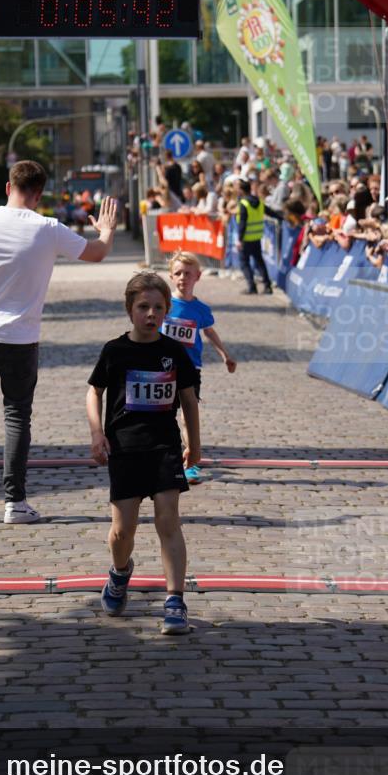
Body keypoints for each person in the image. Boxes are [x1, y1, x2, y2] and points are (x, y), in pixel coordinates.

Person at [0, 160, 118, 525]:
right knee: (16, 414)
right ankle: (14, 502)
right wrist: (107, 231)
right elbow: (97, 253)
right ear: (39, 194)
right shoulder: (49, 229)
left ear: (8, 187)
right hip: (21, 338)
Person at [86, 271, 200, 636]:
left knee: (168, 521)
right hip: (124, 449)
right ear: (129, 310)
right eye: (143, 307)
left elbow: (189, 400)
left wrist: (195, 444)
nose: (151, 314)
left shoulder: (174, 352)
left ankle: (175, 602)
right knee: (123, 531)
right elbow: (94, 391)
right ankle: (120, 573)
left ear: (166, 311)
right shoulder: (114, 351)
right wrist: (97, 433)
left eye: (158, 308)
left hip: (164, 447)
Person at [162, 250, 237, 484]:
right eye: (178, 273)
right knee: (163, 416)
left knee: (187, 417)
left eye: (188, 273)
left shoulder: (201, 309)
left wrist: (225, 355)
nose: (183, 278)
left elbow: (209, 332)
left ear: (198, 276)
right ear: (171, 276)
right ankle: (166, 458)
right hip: (163, 368)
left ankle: (190, 463)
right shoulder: (163, 304)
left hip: (190, 369)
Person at [236, 179, 273, 295]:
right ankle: (267, 286)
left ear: (242, 190)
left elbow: (242, 223)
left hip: (246, 239)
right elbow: (270, 212)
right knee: (259, 262)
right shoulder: (259, 201)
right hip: (256, 238)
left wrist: (239, 239)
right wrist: (283, 218)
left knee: (244, 263)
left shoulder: (244, 204)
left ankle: (252, 287)